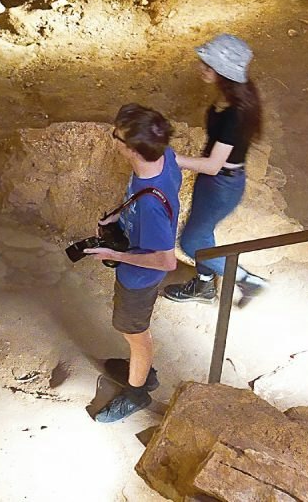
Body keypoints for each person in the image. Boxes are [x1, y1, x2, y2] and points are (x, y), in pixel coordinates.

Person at [86, 105, 183, 424]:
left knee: (134, 332)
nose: (113, 138)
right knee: (131, 329)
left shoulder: (152, 206)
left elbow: (167, 260)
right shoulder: (163, 158)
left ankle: (138, 389)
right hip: (138, 258)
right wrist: (121, 215)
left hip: (139, 278)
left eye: (117, 136)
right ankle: (139, 369)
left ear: (131, 150)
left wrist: (114, 255)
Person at [162, 34, 270, 303]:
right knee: (202, 234)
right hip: (217, 182)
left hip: (221, 184)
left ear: (223, 73)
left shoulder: (236, 115)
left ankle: (247, 280)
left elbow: (212, 165)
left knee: (190, 243)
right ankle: (204, 285)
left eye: (208, 66)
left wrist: (172, 159)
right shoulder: (231, 101)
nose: (202, 68)